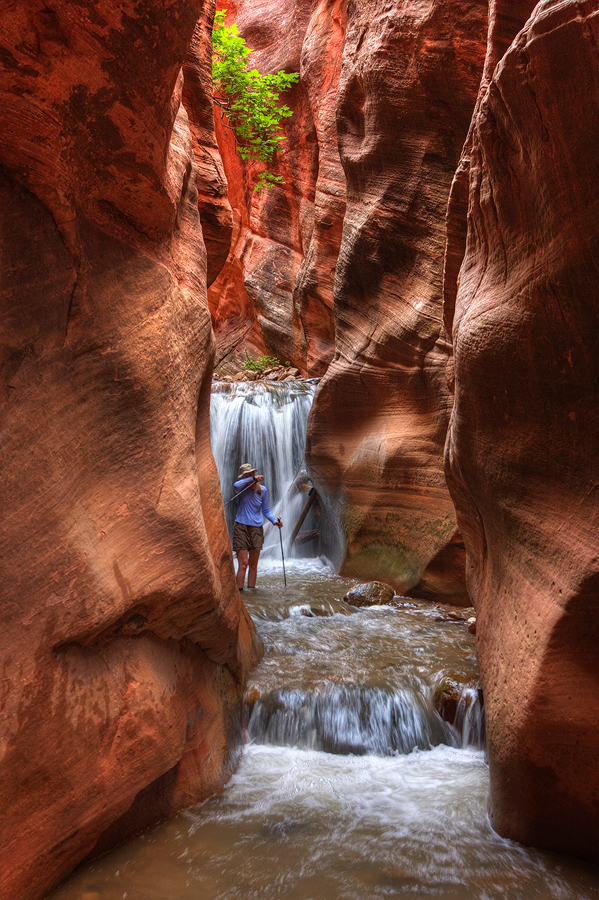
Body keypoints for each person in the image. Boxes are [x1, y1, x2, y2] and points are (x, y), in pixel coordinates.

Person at [233, 463, 282, 590]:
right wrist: (252, 479)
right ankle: (240, 594)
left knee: (253, 564)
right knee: (243, 564)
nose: (250, 476)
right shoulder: (241, 489)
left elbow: (266, 510)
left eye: (252, 474)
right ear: (243, 477)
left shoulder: (263, 490)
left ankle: (252, 592)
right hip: (241, 527)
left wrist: (274, 521)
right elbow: (235, 485)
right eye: (247, 475)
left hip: (256, 528)